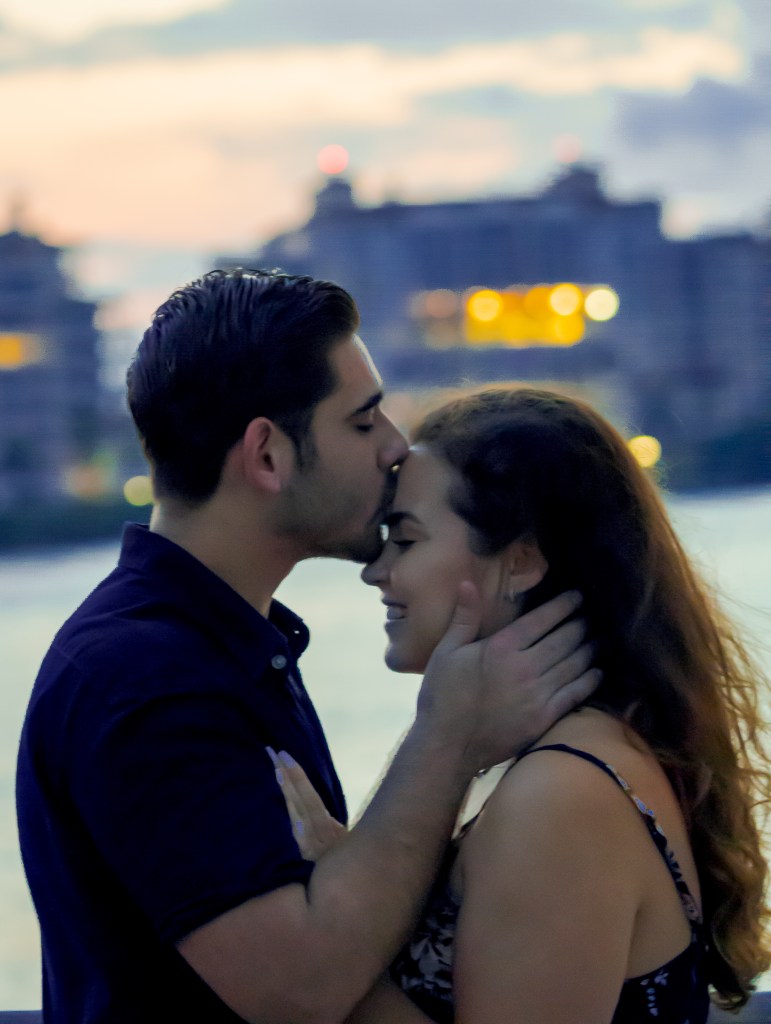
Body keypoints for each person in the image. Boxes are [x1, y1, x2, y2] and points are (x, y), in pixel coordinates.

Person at [15, 270, 598, 1024]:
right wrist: (448, 736)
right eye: (363, 421)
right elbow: (297, 993)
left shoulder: (217, 646)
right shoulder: (147, 679)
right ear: (267, 454)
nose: (395, 446)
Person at [277, 386, 771, 1024]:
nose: (375, 572)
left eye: (405, 539)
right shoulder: (577, 755)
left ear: (520, 562)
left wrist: (332, 954)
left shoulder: (561, 794)